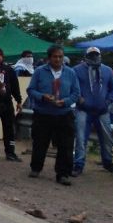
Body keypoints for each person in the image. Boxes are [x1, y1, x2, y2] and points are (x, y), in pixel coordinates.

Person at [27, 45, 81, 185]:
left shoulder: (70, 73)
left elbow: (76, 93)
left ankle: (63, 174)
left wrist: (65, 102)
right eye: (55, 56)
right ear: (49, 58)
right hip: (43, 113)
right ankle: (36, 168)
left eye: (60, 57)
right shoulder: (39, 71)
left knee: (66, 145)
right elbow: (31, 90)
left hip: (64, 113)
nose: (58, 59)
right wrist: (42, 96)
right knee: (40, 142)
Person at [72, 47, 113, 175]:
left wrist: (107, 102)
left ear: (100, 55)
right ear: (86, 56)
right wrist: (80, 99)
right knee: (81, 138)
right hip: (83, 109)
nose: (94, 57)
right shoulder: (76, 70)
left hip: (102, 110)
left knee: (107, 138)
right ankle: (78, 164)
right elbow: (73, 87)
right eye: (91, 55)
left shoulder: (108, 70)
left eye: (96, 55)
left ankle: (108, 162)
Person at [0, 47, 24, 162]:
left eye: (0, 54)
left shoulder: (9, 69)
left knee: (9, 128)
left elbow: (15, 86)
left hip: (6, 102)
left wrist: (19, 101)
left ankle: (10, 152)